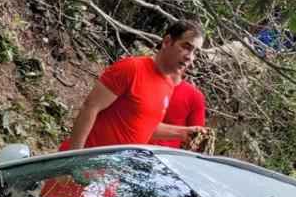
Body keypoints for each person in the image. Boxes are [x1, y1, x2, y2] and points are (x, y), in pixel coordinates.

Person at [62, 19, 207, 151]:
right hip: (80, 164)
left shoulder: (168, 85)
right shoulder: (132, 68)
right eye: (186, 47)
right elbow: (91, 107)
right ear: (167, 42)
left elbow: (146, 125)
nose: (190, 57)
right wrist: (73, 159)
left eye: (195, 52)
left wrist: (183, 133)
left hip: (109, 174)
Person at [150, 71, 206, 149]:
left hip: (170, 157)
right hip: (134, 151)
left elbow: (197, 140)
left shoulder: (194, 96)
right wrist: (182, 133)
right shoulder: (140, 84)